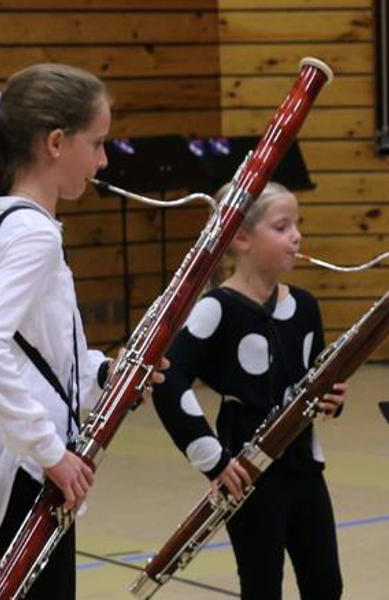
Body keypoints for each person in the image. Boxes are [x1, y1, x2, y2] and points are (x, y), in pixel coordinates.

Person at [0, 63, 164, 598]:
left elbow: (40, 354)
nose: (102, 160)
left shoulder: (16, 222)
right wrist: (49, 450)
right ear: (55, 142)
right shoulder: (33, 235)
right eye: (97, 144)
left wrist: (106, 373)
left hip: (21, 455)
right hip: (26, 464)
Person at [152, 181, 347, 599]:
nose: (296, 236)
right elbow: (168, 383)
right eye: (281, 227)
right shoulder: (216, 308)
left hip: (305, 470)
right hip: (248, 477)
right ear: (240, 237)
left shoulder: (305, 307)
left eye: (297, 225)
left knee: (326, 584)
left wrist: (333, 399)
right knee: (261, 587)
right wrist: (212, 458)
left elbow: (315, 382)